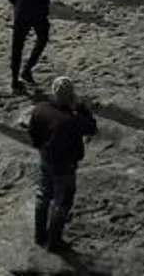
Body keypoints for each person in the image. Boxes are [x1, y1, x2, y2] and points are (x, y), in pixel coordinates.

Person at [28, 78, 97, 253]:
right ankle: (54, 241)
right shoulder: (71, 120)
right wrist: (81, 107)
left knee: (43, 196)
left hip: (46, 159)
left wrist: (42, 148)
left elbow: (33, 135)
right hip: (65, 165)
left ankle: (39, 235)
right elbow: (91, 127)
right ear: (71, 96)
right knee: (62, 202)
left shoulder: (40, 109)